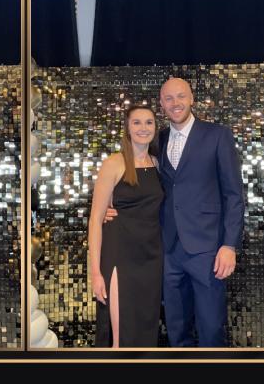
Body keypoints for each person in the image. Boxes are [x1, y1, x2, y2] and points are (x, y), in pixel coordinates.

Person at [156, 76, 245, 347]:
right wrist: (113, 206)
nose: (175, 103)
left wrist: (229, 245)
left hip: (208, 249)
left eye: (181, 96)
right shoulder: (157, 139)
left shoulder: (217, 135)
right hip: (169, 249)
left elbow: (234, 194)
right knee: (176, 327)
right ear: (161, 104)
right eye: (169, 98)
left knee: (210, 327)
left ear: (192, 98)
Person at [88, 106, 164, 348]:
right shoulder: (113, 163)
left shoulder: (158, 164)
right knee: (121, 337)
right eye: (137, 122)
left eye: (149, 122)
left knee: (145, 330)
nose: (143, 128)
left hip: (151, 259)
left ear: (155, 127)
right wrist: (96, 273)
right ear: (127, 128)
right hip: (120, 255)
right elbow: (95, 220)